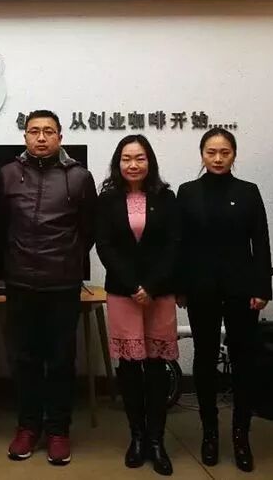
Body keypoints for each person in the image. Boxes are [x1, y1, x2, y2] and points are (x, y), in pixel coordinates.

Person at [0, 109, 97, 466]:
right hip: (20, 282)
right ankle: (28, 427)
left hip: (62, 284)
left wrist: (67, 259)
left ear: (60, 137)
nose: (41, 137)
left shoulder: (79, 177)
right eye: (34, 131)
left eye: (48, 131)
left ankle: (58, 430)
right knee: (24, 359)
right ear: (25, 136)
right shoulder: (8, 174)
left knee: (60, 360)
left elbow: (89, 230)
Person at [177, 128, 273, 473]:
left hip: (241, 289)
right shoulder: (187, 192)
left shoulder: (248, 192)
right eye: (211, 152)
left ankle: (241, 434)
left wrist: (262, 287)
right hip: (200, 288)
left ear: (234, 155)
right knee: (204, 359)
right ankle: (210, 433)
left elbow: (260, 241)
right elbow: (180, 243)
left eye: (225, 152)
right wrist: (180, 286)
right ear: (202, 154)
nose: (218, 159)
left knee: (244, 359)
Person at [96, 135, 179, 476]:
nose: (133, 164)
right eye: (127, 158)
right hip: (123, 292)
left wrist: (152, 286)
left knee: (157, 367)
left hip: (159, 293)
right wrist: (133, 285)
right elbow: (105, 246)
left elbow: (174, 244)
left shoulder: (166, 197)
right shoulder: (107, 200)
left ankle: (157, 440)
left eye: (140, 158)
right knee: (129, 368)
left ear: (150, 162)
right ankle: (138, 437)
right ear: (118, 163)